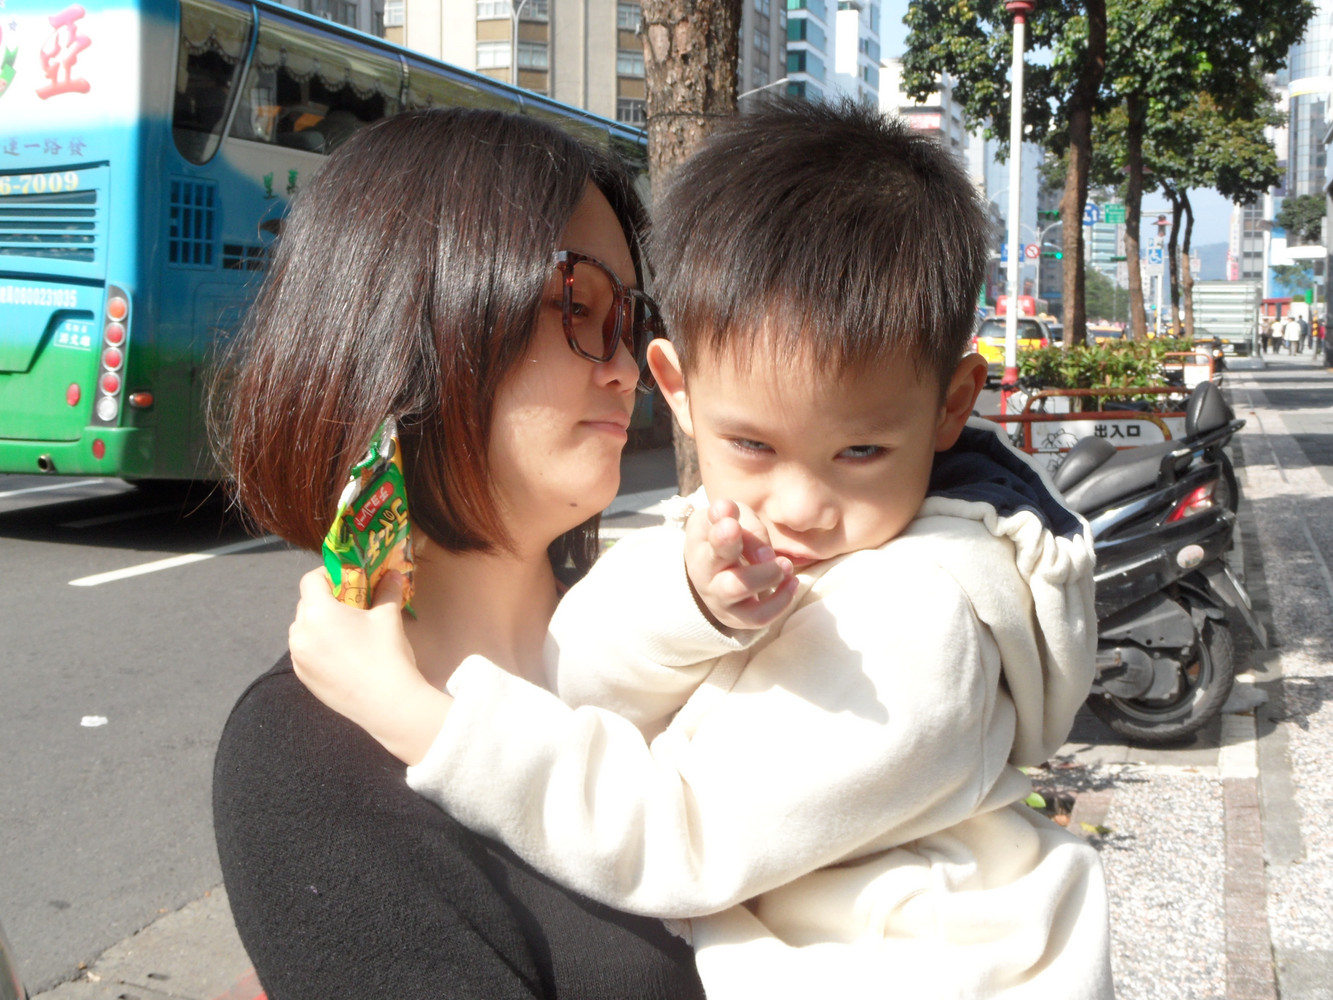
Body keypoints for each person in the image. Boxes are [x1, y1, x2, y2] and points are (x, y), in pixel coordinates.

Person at [291, 100, 1115, 999]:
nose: (800, 507)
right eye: (752, 445)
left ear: (952, 405)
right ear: (678, 390)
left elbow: (682, 834)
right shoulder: (723, 538)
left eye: (860, 452)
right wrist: (692, 605)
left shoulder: (919, 617)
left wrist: (421, 719)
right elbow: (580, 677)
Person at [210, 108, 708, 1000]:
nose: (627, 368)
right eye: (576, 305)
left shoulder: (676, 627)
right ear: (410, 322)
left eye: (629, 320)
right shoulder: (309, 756)